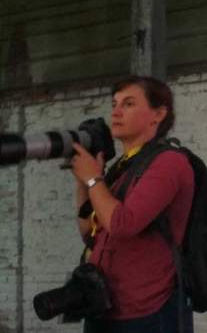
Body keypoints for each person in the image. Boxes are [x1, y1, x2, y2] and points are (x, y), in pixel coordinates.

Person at [70, 75, 194, 332]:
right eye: (114, 104)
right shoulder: (121, 170)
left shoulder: (169, 162)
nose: (116, 112)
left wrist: (93, 179)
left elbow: (122, 224)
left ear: (158, 114)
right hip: (103, 307)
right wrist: (84, 181)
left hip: (147, 313)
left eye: (128, 104)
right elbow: (88, 232)